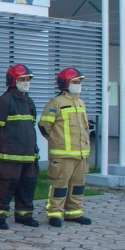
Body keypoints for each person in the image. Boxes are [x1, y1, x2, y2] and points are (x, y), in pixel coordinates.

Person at [0, 64, 40, 229]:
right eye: (22, 79)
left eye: (27, 79)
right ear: (12, 81)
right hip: (10, 155)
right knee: (6, 185)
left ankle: (24, 215)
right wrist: (7, 141)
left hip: (29, 155)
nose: (26, 82)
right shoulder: (3, 101)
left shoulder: (28, 101)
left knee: (27, 185)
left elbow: (30, 126)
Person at [39, 68, 92, 227]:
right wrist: (56, 140)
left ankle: (73, 213)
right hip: (62, 156)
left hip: (81, 156)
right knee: (59, 186)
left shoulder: (80, 102)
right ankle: (54, 213)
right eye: (75, 82)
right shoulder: (56, 102)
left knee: (77, 186)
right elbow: (44, 125)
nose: (78, 85)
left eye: (79, 82)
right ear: (65, 83)